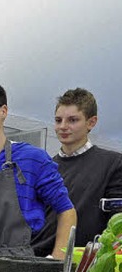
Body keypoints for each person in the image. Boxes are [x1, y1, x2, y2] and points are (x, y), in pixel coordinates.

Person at [0, 79, 76, 263]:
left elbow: (67, 211)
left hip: (21, 267)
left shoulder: (33, 159)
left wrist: (57, 260)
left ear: (3, 111)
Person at [32, 88, 122, 256]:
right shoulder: (44, 167)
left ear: (91, 122)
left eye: (72, 120)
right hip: (36, 259)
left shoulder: (113, 164)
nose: (63, 127)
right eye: (58, 120)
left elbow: (118, 224)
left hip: (82, 266)